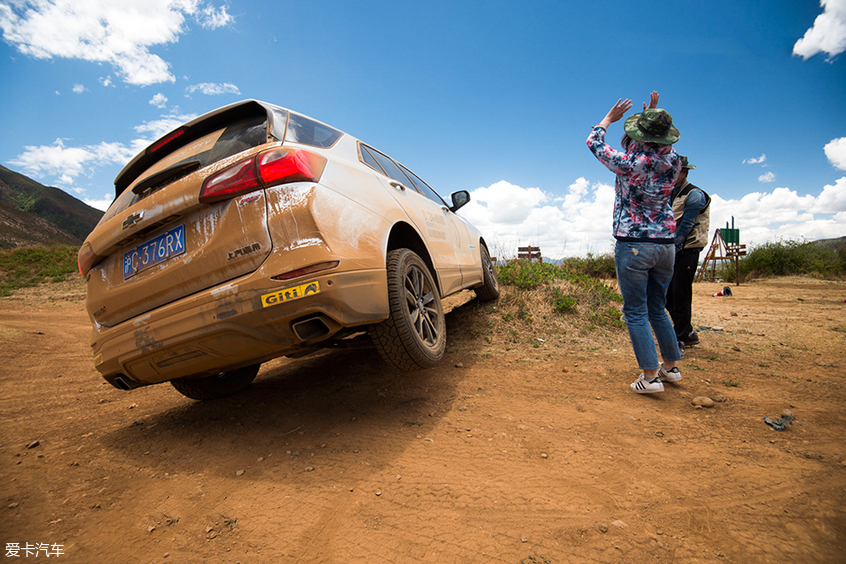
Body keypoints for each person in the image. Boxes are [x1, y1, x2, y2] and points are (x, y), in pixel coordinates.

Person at [586, 91, 683, 394]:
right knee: (657, 307)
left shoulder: (631, 163)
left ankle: (650, 377)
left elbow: (594, 143)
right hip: (666, 244)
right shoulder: (675, 162)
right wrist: (649, 118)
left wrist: (608, 120)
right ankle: (670, 367)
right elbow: (654, 148)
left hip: (634, 243)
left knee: (636, 311)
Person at [667, 156, 711, 352]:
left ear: (684, 172)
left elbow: (685, 226)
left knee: (680, 294)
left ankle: (681, 338)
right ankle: (687, 333)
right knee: (667, 295)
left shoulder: (694, 194)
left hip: (686, 250)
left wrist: (672, 249)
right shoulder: (672, 193)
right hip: (672, 250)